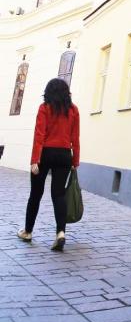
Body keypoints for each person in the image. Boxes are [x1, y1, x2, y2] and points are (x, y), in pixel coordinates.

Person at [17, 78, 80, 251]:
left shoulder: (44, 108)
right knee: (59, 194)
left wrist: (35, 160)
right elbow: (75, 138)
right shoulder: (73, 110)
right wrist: (75, 161)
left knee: (36, 193)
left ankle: (28, 231)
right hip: (64, 155)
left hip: (45, 153)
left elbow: (39, 135)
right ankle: (60, 233)